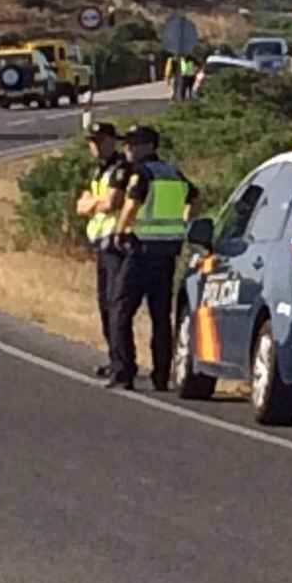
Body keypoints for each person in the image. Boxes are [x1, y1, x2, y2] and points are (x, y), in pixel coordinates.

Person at [105, 124, 201, 391]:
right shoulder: (173, 173)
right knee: (161, 316)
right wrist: (184, 223)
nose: (128, 149)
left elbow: (132, 205)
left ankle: (124, 373)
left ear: (149, 146)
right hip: (167, 252)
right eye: (127, 144)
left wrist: (120, 232)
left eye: (134, 144)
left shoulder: (142, 174)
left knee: (120, 310)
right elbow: (195, 198)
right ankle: (161, 377)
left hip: (141, 250)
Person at [74, 122, 130, 378]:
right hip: (101, 244)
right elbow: (81, 206)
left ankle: (122, 363)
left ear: (112, 141)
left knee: (115, 304)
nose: (95, 146)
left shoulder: (121, 168)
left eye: (100, 141)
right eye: (92, 141)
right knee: (105, 305)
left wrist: (93, 203)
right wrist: (97, 202)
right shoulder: (100, 171)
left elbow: (113, 202)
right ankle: (114, 358)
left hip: (116, 244)